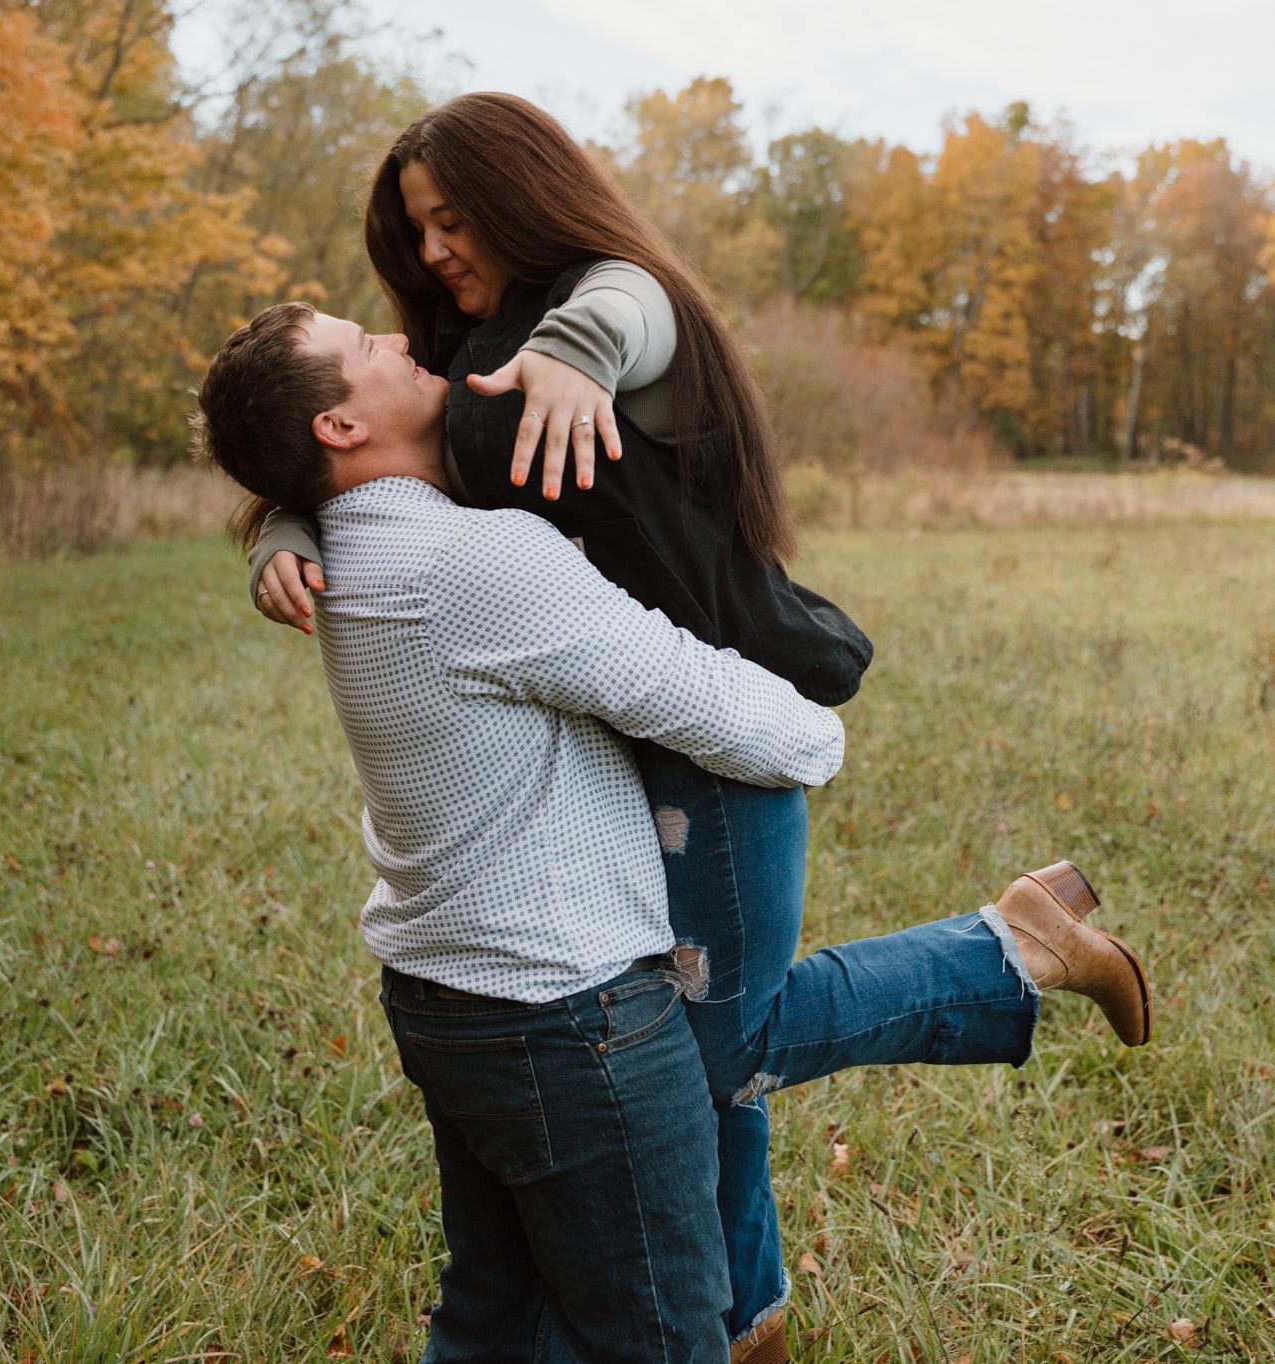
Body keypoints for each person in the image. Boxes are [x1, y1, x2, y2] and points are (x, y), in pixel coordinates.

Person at [240, 94, 1152, 1363]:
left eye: (456, 216)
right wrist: (289, 523)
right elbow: (350, 453)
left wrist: (580, 351)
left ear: (521, 194)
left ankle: (1011, 949)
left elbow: (637, 300)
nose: (435, 247)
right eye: (417, 226)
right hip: (619, 736)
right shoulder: (464, 356)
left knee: (717, 1046)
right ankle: (751, 1320)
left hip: (718, 740)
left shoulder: (607, 314)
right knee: (692, 1077)